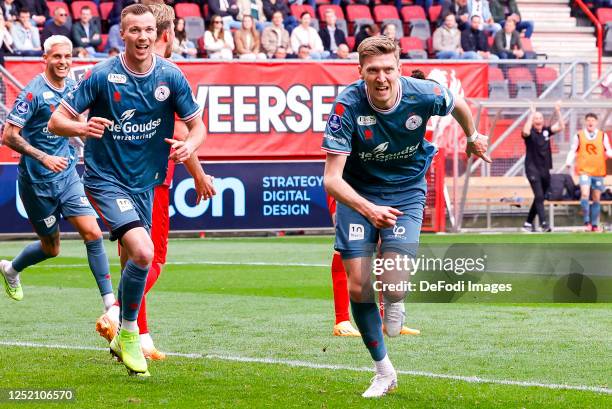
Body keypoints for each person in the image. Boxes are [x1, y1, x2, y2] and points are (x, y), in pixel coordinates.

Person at [321, 36, 490, 397]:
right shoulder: (346, 105)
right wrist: (368, 209)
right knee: (357, 284)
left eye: (387, 70)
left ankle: (395, 301)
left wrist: (473, 136)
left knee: (394, 283)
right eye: (372, 71)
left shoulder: (423, 93)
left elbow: (458, 103)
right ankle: (383, 371)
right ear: (360, 72)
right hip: (358, 194)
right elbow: (331, 179)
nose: (381, 78)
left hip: (405, 192)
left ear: (399, 68)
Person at [48, 4, 206, 377]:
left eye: (148, 30)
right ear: (123, 34)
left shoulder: (172, 76)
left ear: (158, 33)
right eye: (135, 30)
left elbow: (197, 126)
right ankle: (131, 332)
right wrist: (81, 129)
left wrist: (190, 147)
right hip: (104, 180)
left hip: (146, 183)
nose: (143, 37)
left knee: (137, 261)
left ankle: (125, 329)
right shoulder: (102, 75)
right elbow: (57, 121)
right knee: (144, 251)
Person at [95, 0, 215, 361]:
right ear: (169, 31)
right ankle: (119, 314)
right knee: (152, 258)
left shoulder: (136, 67)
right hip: (150, 180)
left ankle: (139, 336)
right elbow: (181, 133)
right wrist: (198, 173)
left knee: (132, 259)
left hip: (116, 178)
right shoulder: (165, 72)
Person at [0, 35, 116, 316]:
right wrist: (43, 156)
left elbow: (75, 122)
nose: (63, 62)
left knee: (92, 233)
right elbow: (8, 136)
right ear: (46, 58)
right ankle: (11, 268)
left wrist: (86, 129)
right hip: (37, 183)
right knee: (51, 248)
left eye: (67, 57)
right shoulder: (32, 93)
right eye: (57, 57)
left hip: (66, 176)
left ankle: (111, 305)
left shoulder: (73, 88)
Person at [521, 101, 564, 232]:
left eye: (539, 118)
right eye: (535, 118)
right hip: (532, 169)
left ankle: (528, 223)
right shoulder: (529, 133)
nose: (537, 120)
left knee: (541, 196)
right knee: (539, 196)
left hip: (545, 170)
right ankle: (544, 224)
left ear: (543, 120)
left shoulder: (546, 131)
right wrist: (531, 114)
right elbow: (525, 131)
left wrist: (557, 111)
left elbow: (561, 126)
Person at [564, 113, 612, 232]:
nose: (590, 122)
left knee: (596, 198)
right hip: (584, 171)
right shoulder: (579, 136)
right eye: (588, 120)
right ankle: (586, 221)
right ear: (585, 122)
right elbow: (573, 150)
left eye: (593, 120)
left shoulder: (602, 136)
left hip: (598, 171)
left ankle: (594, 224)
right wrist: (568, 161)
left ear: (596, 122)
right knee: (585, 194)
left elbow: (608, 150)